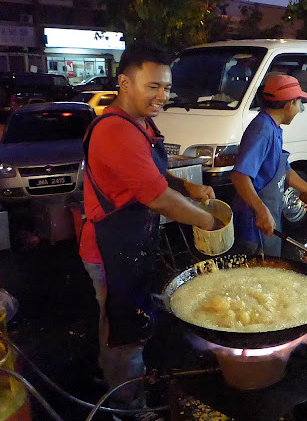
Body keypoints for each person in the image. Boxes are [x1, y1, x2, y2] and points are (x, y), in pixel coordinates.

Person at [80, 41, 217, 419]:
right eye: (152, 86)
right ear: (125, 83)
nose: (162, 96)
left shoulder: (141, 123)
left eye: (167, 87)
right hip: (110, 248)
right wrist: (207, 221)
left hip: (130, 241)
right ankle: (127, 407)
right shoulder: (115, 132)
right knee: (125, 327)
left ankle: (110, 375)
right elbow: (156, 196)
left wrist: (187, 186)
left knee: (119, 317)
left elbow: (155, 173)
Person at [230, 74, 307, 257]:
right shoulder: (262, 130)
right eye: (299, 104)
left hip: (268, 214)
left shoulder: (272, 127)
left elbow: (283, 169)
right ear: (289, 104)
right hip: (253, 224)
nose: (299, 109)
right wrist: (262, 211)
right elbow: (239, 176)